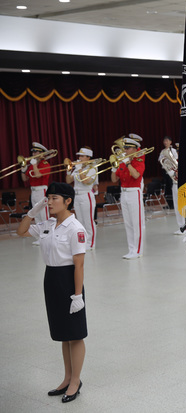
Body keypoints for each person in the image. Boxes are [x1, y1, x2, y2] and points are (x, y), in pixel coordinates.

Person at [17, 182, 87, 403]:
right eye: (48, 198)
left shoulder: (75, 228)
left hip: (69, 281)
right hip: (51, 280)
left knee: (74, 334)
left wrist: (77, 296)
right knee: (63, 335)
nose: (49, 202)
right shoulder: (47, 224)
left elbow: (79, 266)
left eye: (54, 198)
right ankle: (66, 378)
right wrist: (32, 212)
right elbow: (21, 231)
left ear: (68, 201)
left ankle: (76, 380)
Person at [110, 137, 145, 259]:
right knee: (128, 223)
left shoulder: (139, 160)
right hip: (123, 193)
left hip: (134, 192)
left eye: (127, 148)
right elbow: (114, 179)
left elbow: (135, 175)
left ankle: (138, 250)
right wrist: (114, 167)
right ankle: (131, 249)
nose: (124, 150)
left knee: (137, 223)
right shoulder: (123, 162)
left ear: (135, 149)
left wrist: (128, 163)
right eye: (124, 147)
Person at [66, 147, 98, 249]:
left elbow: (85, 181)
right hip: (77, 195)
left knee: (88, 220)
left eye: (82, 156)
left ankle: (91, 243)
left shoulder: (93, 168)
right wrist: (68, 171)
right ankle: (83, 241)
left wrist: (79, 168)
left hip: (86, 195)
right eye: (79, 156)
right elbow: (68, 181)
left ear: (88, 157)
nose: (79, 158)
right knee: (80, 221)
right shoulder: (77, 168)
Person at [21, 142, 52, 245]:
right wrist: (23, 169)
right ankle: (41, 237)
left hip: (42, 190)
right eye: (33, 152)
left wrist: (34, 165)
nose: (34, 154)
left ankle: (48, 237)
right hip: (33, 191)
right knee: (37, 215)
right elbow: (25, 179)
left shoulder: (45, 164)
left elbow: (38, 175)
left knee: (44, 215)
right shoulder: (32, 164)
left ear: (42, 153)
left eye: (36, 152)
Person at [158, 136, 184, 235]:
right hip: (174, 183)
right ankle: (181, 227)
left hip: (182, 185)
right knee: (177, 206)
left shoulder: (185, 162)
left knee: (183, 206)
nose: (177, 154)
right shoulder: (167, 154)